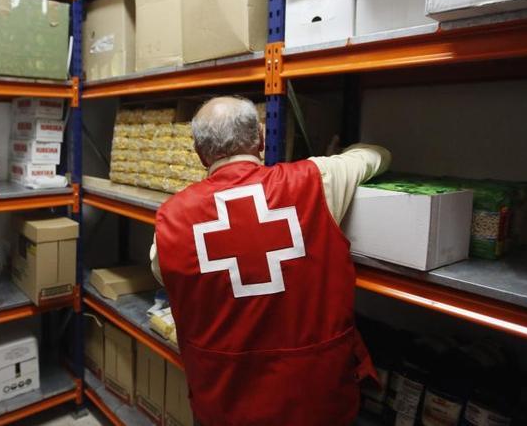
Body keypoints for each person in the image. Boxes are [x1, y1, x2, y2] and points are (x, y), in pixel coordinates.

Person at [150, 96, 391, 426]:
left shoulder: (173, 218)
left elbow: (168, 277)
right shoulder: (316, 179)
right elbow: (376, 155)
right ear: (261, 138)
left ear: (199, 153)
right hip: (315, 401)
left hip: (225, 403)